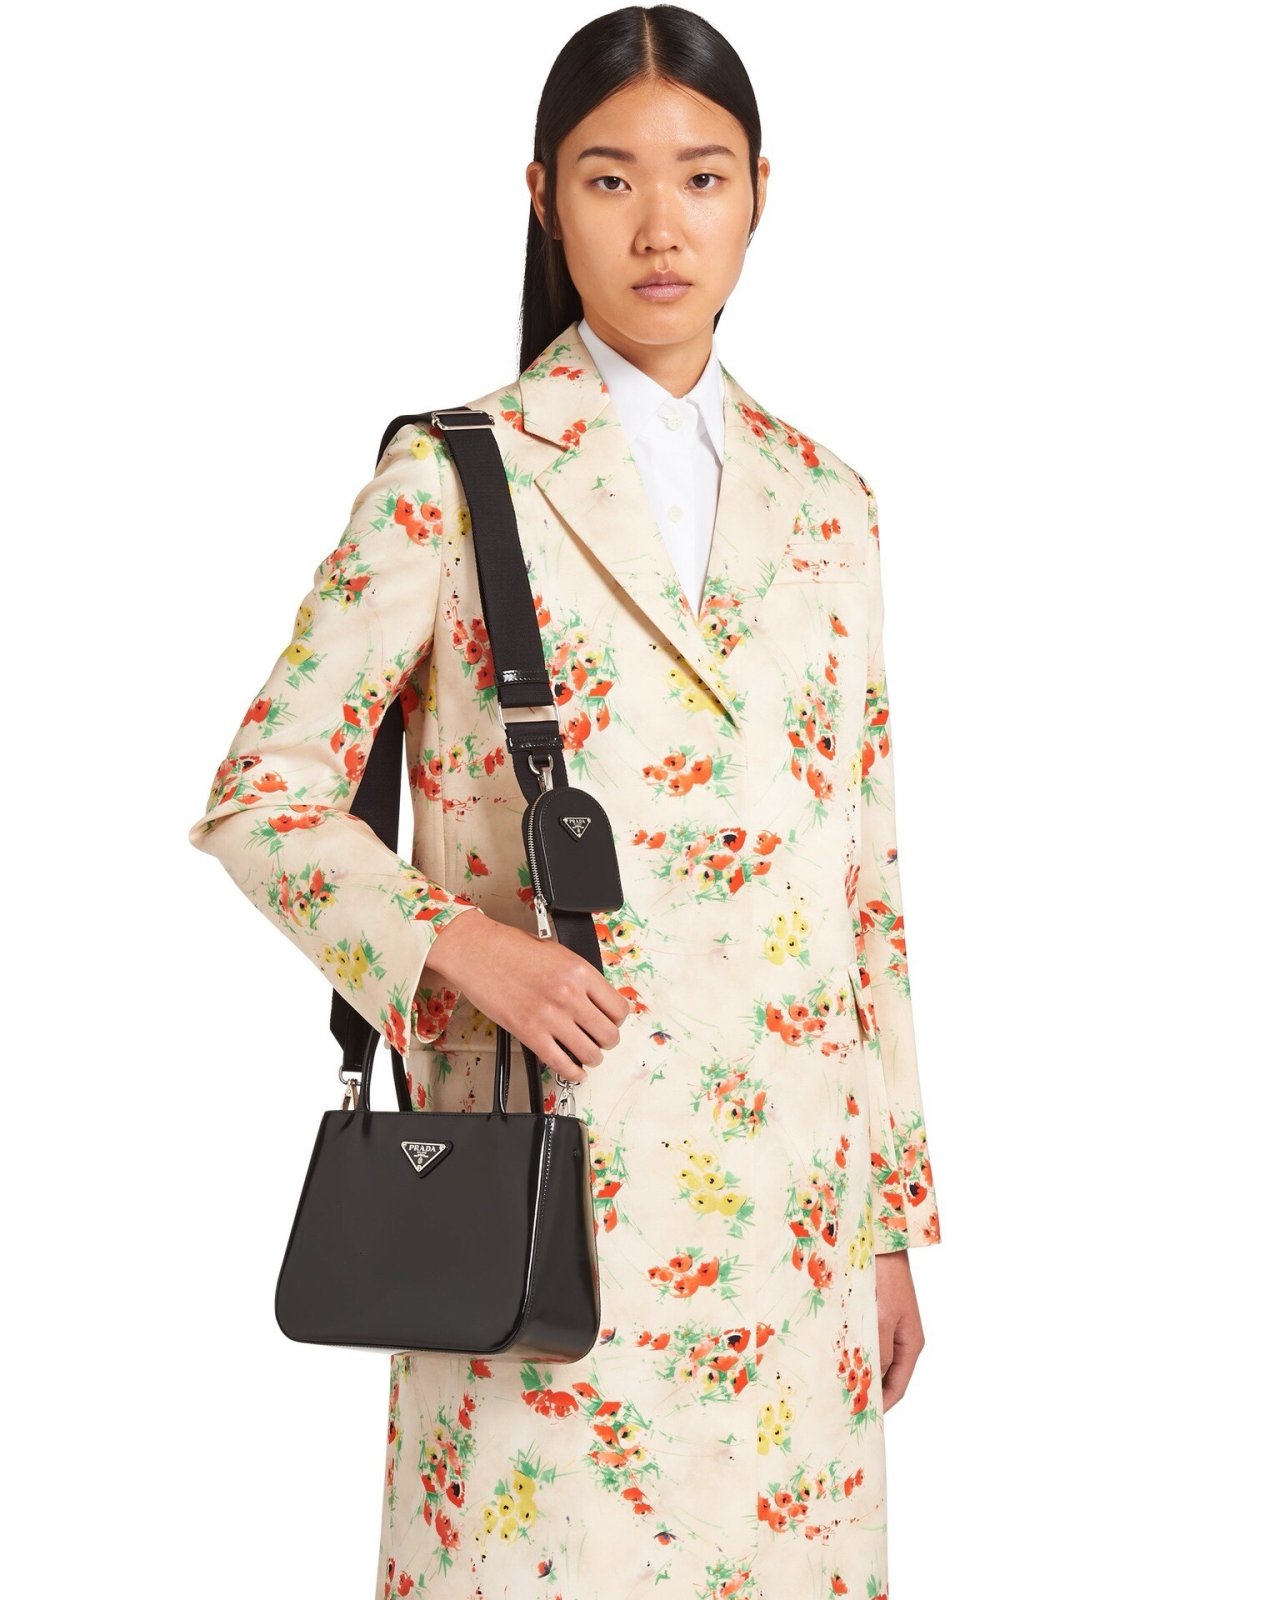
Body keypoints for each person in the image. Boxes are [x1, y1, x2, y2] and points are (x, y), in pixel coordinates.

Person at [187, 6, 941, 1596]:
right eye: (611, 179)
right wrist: (463, 951)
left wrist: (888, 1225)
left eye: (703, 177)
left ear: (760, 194)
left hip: (795, 1244)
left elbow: (862, 883)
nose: (662, 226)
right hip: (549, 1221)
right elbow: (264, 797)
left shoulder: (834, 508)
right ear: (543, 196)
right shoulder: (452, 479)